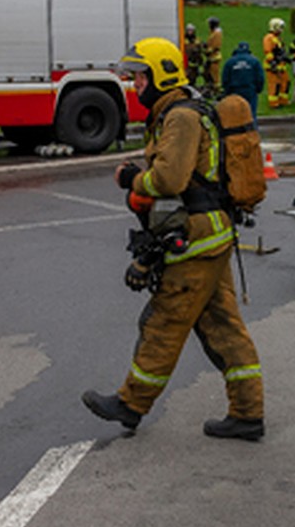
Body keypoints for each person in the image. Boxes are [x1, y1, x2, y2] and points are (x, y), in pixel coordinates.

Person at [82, 37, 265, 440]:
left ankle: (130, 404)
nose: (135, 85)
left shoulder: (180, 117)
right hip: (212, 233)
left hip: (196, 238)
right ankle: (248, 413)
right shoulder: (185, 109)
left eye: (140, 77)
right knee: (224, 327)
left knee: (164, 321)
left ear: (160, 76)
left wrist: (131, 178)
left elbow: (169, 179)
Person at [222, 40, 265, 124]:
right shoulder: (254, 61)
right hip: (250, 91)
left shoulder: (230, 62)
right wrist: (258, 89)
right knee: (251, 114)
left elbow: (225, 78)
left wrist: (227, 91)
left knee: (236, 114)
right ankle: (252, 133)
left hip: (235, 92)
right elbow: (260, 77)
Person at [262, 17, 291, 109]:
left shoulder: (277, 38)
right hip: (273, 66)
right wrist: (273, 63)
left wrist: (287, 59)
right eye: (280, 27)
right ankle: (274, 103)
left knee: (286, 82)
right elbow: (268, 52)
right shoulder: (269, 38)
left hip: (281, 65)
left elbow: (281, 51)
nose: (281, 30)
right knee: (275, 85)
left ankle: (283, 101)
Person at [203, 16, 223, 98]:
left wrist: (207, 50)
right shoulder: (213, 32)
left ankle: (216, 92)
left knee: (215, 75)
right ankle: (211, 89)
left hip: (214, 58)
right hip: (211, 57)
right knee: (208, 73)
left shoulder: (217, 34)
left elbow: (215, 46)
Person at [183, 23, 203, 88]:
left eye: (191, 30)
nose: (190, 32)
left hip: (195, 63)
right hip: (187, 63)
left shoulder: (197, 41)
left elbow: (200, 51)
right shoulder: (183, 41)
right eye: (188, 30)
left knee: (194, 77)